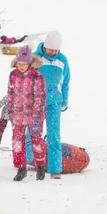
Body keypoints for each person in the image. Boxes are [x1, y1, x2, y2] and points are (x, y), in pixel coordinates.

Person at [26, 31, 71, 179]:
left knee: (54, 134)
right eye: (50, 49)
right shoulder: (36, 58)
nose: (53, 52)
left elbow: (65, 82)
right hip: (37, 101)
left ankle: (55, 169)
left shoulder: (62, 60)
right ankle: (27, 160)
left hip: (55, 101)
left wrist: (64, 101)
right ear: (45, 46)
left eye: (56, 50)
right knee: (33, 131)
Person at [6, 46, 47, 181]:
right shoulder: (13, 75)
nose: (22, 66)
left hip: (34, 116)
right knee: (17, 142)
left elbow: (40, 97)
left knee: (36, 141)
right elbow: (10, 93)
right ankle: (21, 168)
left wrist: (37, 115)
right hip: (17, 115)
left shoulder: (37, 77)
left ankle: (40, 166)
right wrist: (11, 110)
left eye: (24, 64)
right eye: (19, 64)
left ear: (30, 64)